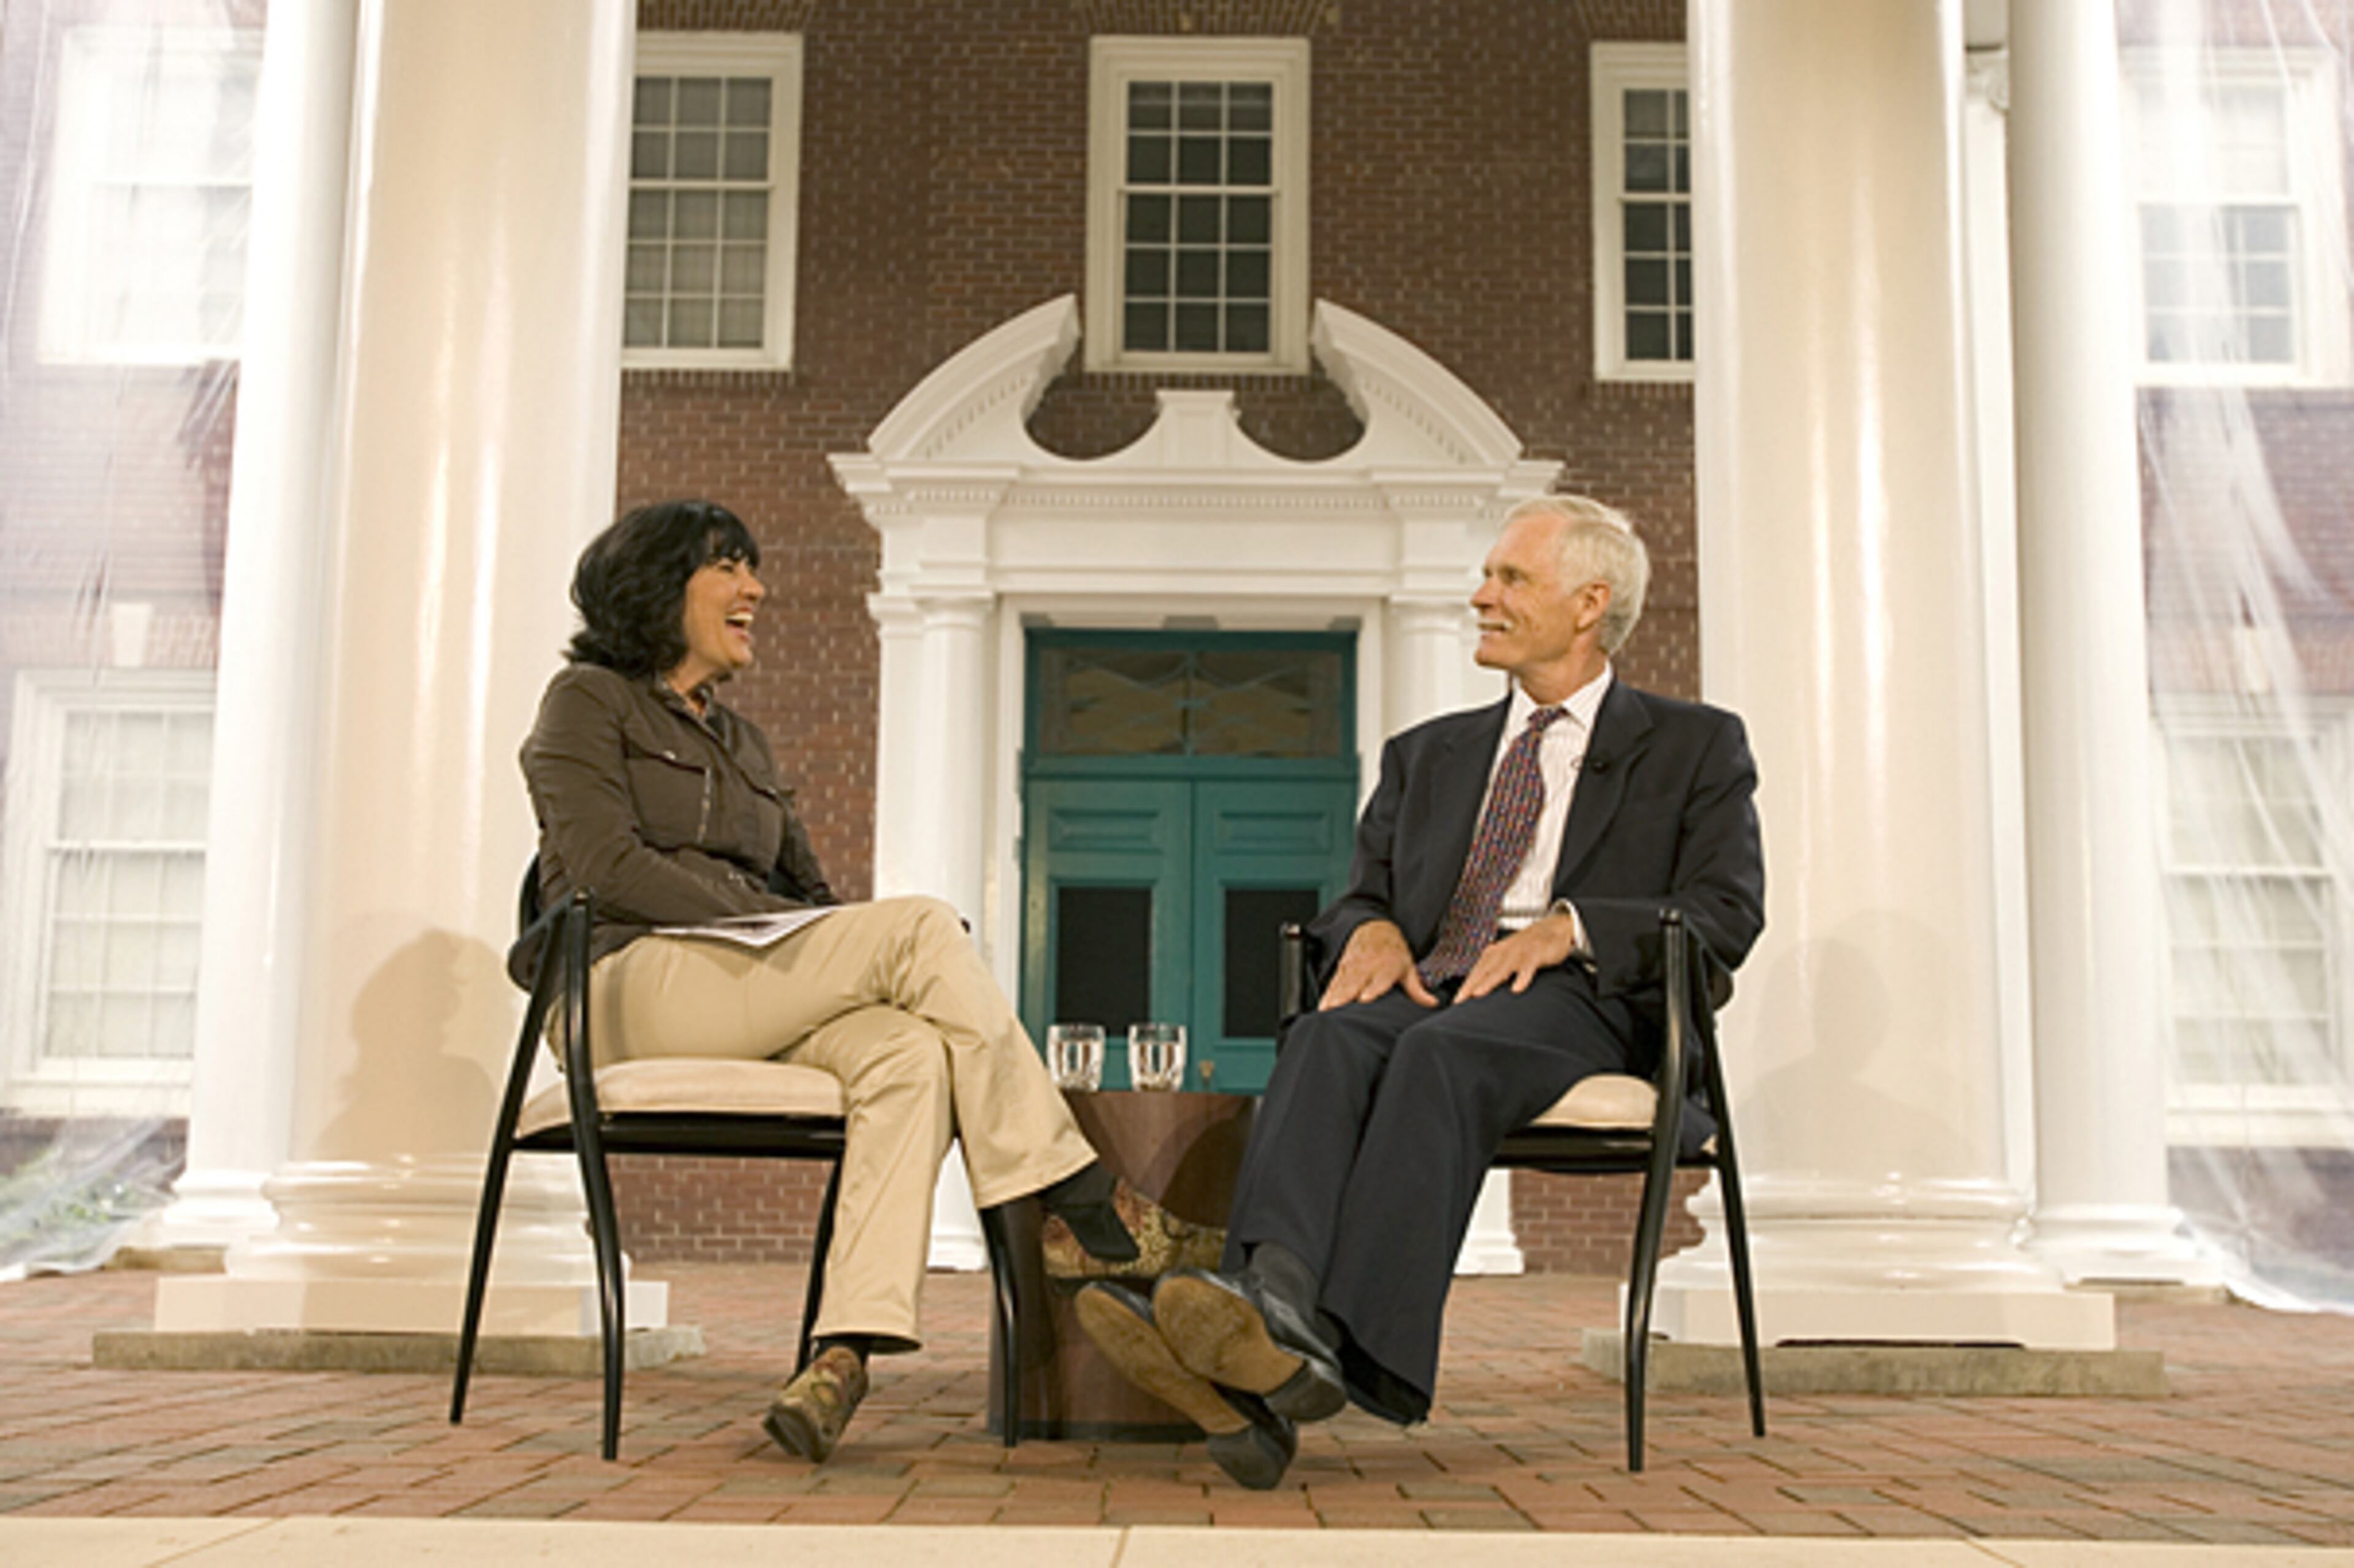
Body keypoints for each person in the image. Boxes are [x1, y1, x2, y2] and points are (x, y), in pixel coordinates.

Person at [1077, 494, 1766, 1487]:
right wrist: (1371, 927)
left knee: (1441, 1051)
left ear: (1589, 603)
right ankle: (1275, 1304)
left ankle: (1341, 1351)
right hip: (1441, 980)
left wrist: (1573, 927)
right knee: (1327, 1033)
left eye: (1511, 577)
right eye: (1487, 576)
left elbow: (1726, 911)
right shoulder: (1427, 754)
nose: (1482, 596)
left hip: (1583, 1000)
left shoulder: (1695, 746)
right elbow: (1363, 895)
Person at [512, 499, 1208, 1463]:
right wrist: (789, 930)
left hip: (745, 982)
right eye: (729, 567)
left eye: (752, 567)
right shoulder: (588, 701)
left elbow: (812, 897)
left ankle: (841, 1353)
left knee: (909, 1051)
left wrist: (815, 939)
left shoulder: (745, 744)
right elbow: (604, 866)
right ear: (657, 585)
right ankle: (1079, 1195)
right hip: (624, 986)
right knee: (919, 925)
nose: (756, 589)